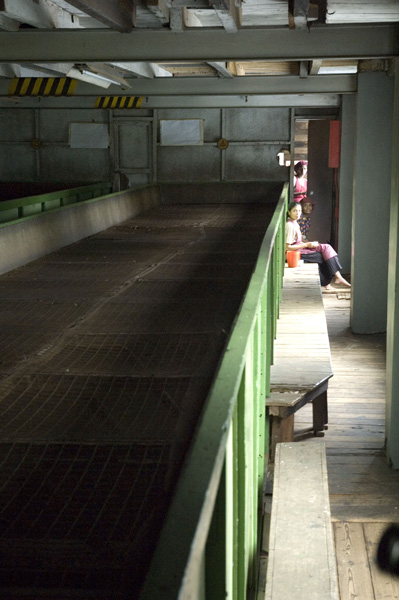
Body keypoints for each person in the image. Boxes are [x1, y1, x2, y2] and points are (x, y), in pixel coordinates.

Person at [286, 201, 351, 290]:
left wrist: (308, 244)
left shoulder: (295, 223)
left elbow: (297, 241)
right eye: (294, 211)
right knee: (322, 257)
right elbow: (287, 247)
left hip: (300, 249)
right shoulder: (289, 225)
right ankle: (330, 281)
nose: (298, 213)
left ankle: (336, 278)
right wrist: (306, 244)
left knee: (326, 248)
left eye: (299, 211)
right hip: (295, 254)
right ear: (289, 212)